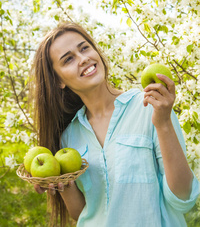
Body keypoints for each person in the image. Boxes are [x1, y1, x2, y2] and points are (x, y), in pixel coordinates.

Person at [30, 21, 199, 227]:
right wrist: (59, 183)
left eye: (84, 48)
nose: (83, 59)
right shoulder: (69, 137)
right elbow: (85, 213)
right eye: (68, 59)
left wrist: (163, 123)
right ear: (58, 81)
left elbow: (183, 199)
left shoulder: (150, 106)